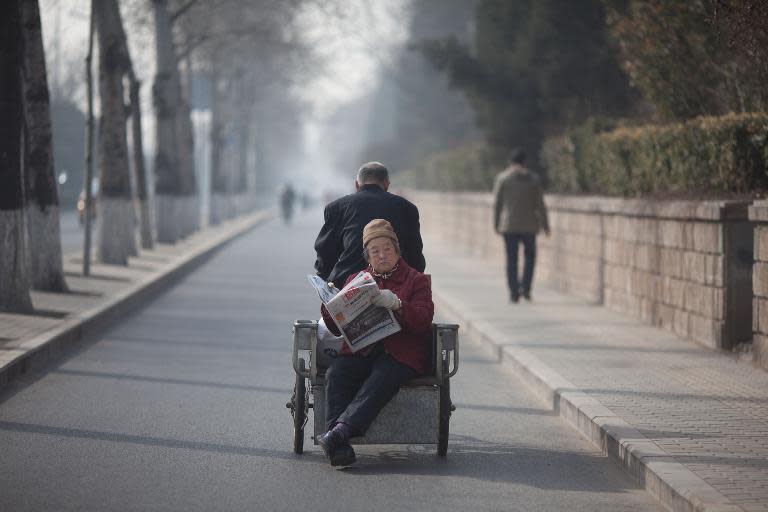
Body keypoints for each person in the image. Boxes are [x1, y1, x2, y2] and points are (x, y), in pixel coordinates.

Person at [317, 219, 434, 467]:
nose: (382, 255)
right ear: (367, 256)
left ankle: (338, 433)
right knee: (337, 372)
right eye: (375, 251)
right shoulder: (357, 278)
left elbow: (423, 320)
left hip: (400, 354)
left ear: (397, 250)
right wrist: (330, 304)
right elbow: (335, 326)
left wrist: (398, 305)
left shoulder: (417, 280)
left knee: (382, 376)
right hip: (361, 349)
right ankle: (340, 447)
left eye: (387, 249)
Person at [314, 162, 426, 289]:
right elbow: (415, 255)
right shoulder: (408, 208)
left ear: (356, 184)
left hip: (348, 286)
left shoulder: (336, 208)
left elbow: (326, 251)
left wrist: (324, 277)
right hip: (397, 287)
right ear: (387, 185)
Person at [492, 148, 550, 302]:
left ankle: (513, 293)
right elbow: (540, 205)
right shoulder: (533, 179)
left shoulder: (503, 179)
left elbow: (497, 204)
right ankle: (526, 288)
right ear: (524, 163)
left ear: (510, 162)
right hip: (529, 226)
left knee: (512, 260)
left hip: (509, 226)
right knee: (530, 258)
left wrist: (496, 223)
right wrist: (546, 225)